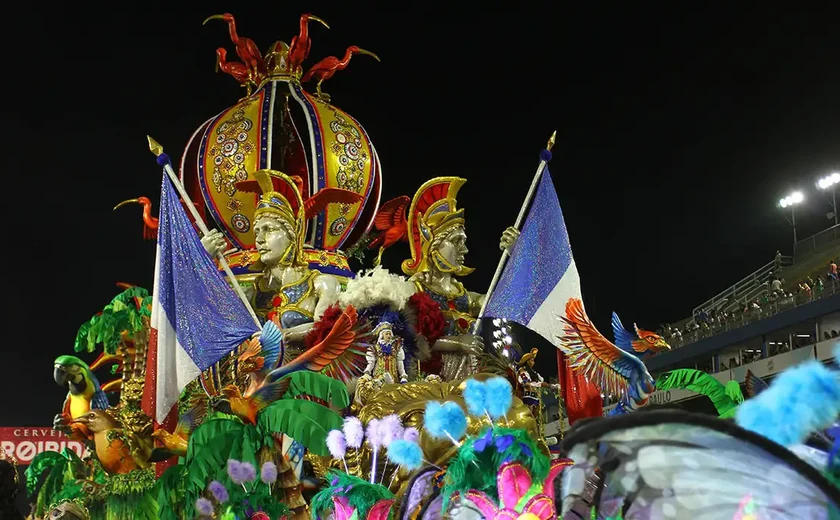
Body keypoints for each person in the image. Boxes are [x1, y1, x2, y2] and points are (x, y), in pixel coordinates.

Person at [201, 169, 343, 347]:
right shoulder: (250, 294)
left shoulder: (320, 284)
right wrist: (202, 259)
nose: (259, 239)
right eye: (257, 232)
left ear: (291, 235)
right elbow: (206, 313)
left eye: (269, 229)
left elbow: (324, 330)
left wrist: (279, 337)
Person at [400, 177, 517, 381]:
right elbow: (409, 339)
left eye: (464, 242)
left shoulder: (466, 298)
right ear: (432, 244)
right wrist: (456, 343)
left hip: (468, 382)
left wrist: (514, 256)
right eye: (456, 242)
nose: (464, 250)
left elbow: (505, 301)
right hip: (428, 386)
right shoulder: (414, 289)